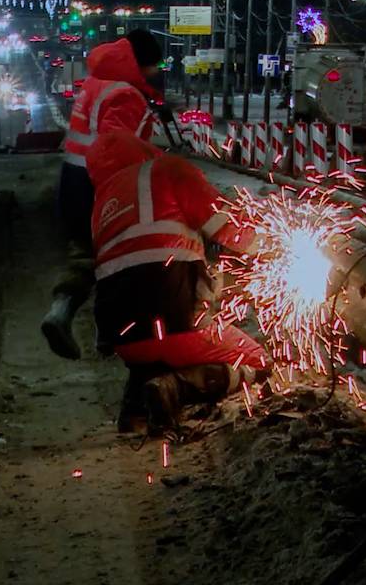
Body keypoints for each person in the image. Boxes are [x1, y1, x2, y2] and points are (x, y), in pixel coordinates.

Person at [84, 131, 265, 432]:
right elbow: (232, 230)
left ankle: (137, 408)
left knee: (155, 345)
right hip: (178, 324)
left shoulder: (102, 201)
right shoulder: (169, 169)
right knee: (259, 362)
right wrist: (274, 245)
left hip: (123, 341)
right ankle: (175, 388)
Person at [42, 30, 163, 359]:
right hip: (101, 183)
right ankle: (109, 335)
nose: (157, 71)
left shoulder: (98, 81)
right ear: (141, 63)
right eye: (154, 65)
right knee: (117, 258)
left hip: (73, 180)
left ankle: (60, 312)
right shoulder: (125, 94)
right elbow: (117, 148)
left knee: (82, 253)